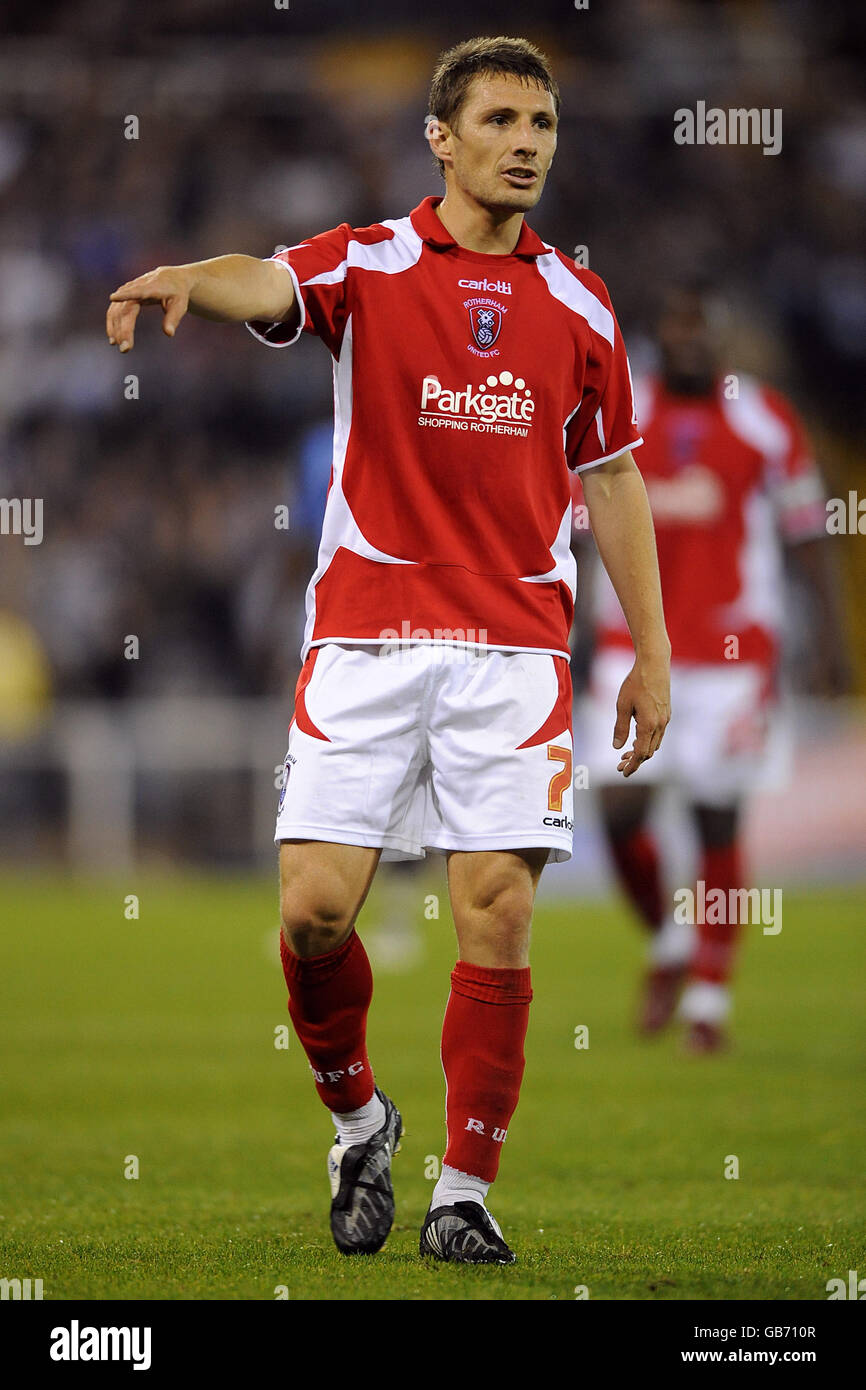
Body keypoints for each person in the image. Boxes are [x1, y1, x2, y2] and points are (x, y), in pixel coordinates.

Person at [106, 35, 670, 1265]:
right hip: (365, 638)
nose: (527, 143)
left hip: (515, 648)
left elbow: (613, 474)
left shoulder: (580, 302)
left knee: (497, 908)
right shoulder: (369, 262)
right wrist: (188, 279)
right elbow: (267, 281)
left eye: (543, 124)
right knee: (312, 914)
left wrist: (654, 651)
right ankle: (360, 1119)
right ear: (441, 136)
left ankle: (463, 1191)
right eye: (502, 120)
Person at [575, 284, 848, 1053]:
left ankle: (709, 998)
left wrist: (833, 641)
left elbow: (807, 530)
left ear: (723, 336)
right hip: (633, 651)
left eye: (703, 326)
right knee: (618, 812)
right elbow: (581, 530)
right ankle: (669, 940)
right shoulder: (618, 413)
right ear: (662, 334)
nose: (689, 339)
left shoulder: (765, 419)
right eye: (677, 325)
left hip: (733, 658)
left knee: (715, 818)